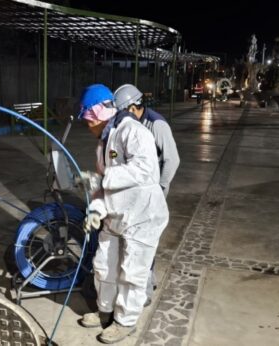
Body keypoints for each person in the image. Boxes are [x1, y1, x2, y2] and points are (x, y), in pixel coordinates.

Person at [76, 84, 169, 344]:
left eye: (87, 121)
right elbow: (103, 190)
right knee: (103, 266)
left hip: (143, 217)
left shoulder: (133, 132)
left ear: (97, 115)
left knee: (132, 273)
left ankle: (125, 321)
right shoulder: (102, 144)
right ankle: (105, 312)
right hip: (116, 216)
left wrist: (102, 177)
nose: (87, 127)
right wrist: (95, 210)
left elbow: (144, 168)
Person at [113, 84, 180, 304]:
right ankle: (133, 282)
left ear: (133, 107)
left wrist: (159, 189)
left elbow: (172, 160)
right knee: (132, 236)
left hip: (154, 192)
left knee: (145, 238)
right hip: (136, 191)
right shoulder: (128, 125)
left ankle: (146, 289)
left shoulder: (157, 124)